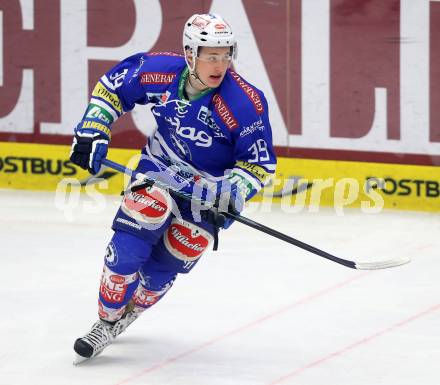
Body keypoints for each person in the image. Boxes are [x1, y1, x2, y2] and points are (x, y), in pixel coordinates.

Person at [70, 13, 277, 363]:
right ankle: (107, 318)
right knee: (136, 230)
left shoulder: (244, 103)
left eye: (226, 54)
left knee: (176, 253)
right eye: (211, 54)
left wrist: (231, 193)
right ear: (190, 53)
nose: (220, 63)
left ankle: (132, 310)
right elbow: (113, 88)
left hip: (207, 193)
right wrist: (93, 126)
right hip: (160, 171)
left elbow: (257, 164)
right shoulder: (161, 71)